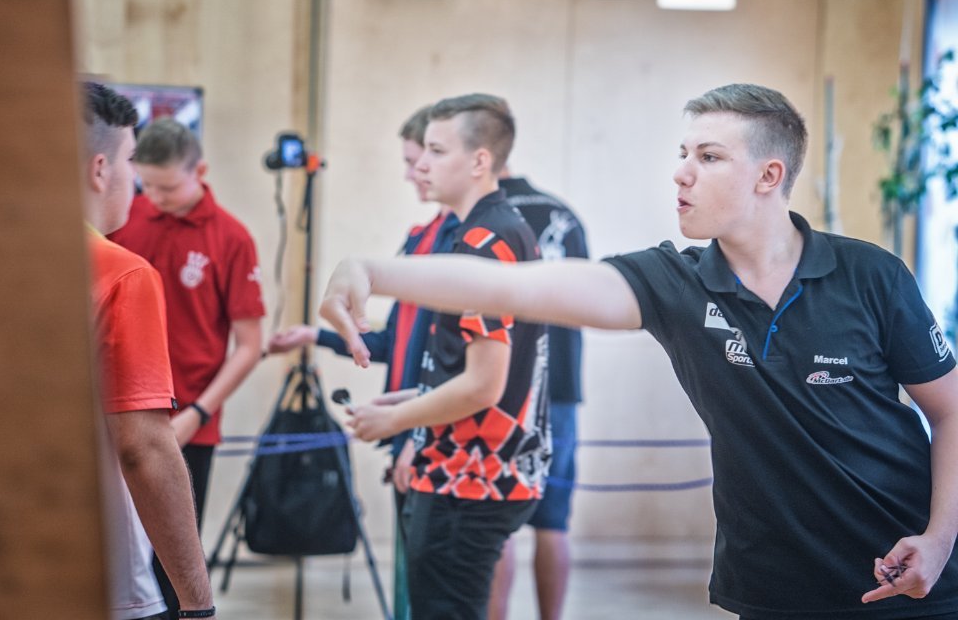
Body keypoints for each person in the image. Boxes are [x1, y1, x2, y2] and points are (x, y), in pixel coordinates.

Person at [319, 83, 958, 619]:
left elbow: (950, 410)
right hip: (774, 590)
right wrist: (372, 271)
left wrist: (938, 539)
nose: (681, 172)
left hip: (907, 576)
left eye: (708, 156)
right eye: (683, 153)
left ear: (770, 176)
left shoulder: (870, 275)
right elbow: (514, 286)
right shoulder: (673, 283)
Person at [333, 93, 550, 619]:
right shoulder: (482, 232)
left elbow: (484, 385)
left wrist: (397, 421)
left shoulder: (489, 240)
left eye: (435, 151)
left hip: (471, 478)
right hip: (461, 472)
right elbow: (475, 369)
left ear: (479, 161)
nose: (421, 166)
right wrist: (408, 400)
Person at [109, 117, 265, 615]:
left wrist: (199, 412)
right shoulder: (127, 216)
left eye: (168, 187)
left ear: (200, 171)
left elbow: (249, 345)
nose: (156, 198)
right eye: (147, 185)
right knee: (117, 560)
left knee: (172, 564)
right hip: (122, 415)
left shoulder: (232, 238)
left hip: (189, 423)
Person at [268, 103, 460, 498]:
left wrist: (419, 436)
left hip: (433, 437)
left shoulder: (460, 240)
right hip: (410, 430)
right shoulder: (421, 237)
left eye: (416, 160)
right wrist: (314, 336)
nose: (412, 173)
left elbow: (455, 364)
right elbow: (393, 343)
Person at [82, 82, 216, 620]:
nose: (135, 179)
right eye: (131, 160)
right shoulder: (118, 271)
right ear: (100, 169)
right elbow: (143, 448)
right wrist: (197, 602)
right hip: (97, 571)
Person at [489, 171, 588, 620]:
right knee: (553, 523)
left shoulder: (488, 218)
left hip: (500, 388)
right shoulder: (565, 214)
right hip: (560, 389)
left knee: (497, 523)